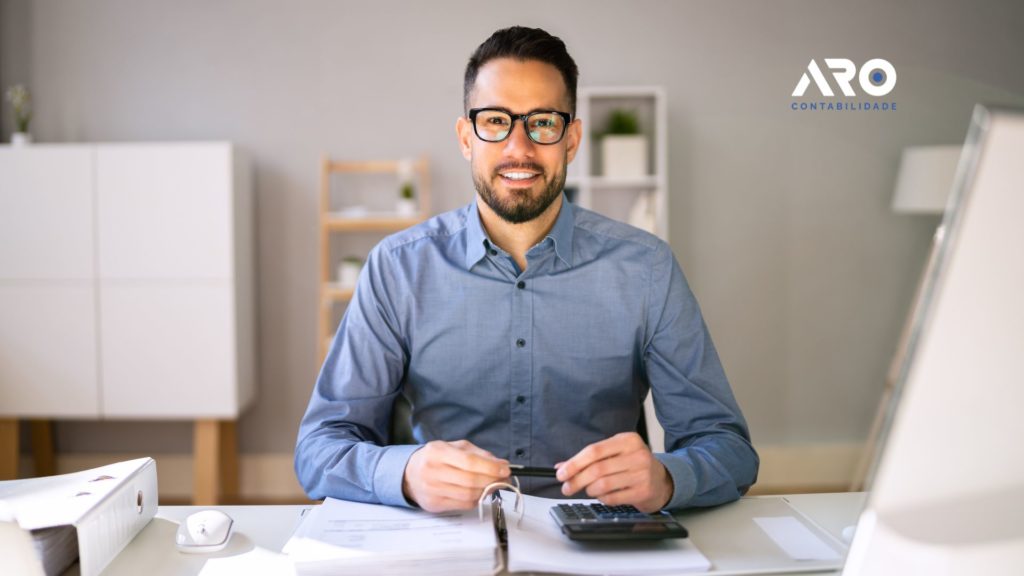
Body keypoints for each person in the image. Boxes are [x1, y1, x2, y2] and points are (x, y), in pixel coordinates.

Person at [295, 26, 758, 514]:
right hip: (446, 539)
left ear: (572, 139)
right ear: (466, 138)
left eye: (542, 122)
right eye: (495, 121)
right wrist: (405, 474)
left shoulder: (646, 268)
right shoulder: (397, 269)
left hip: (600, 542)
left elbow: (727, 447)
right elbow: (318, 451)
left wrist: (667, 478)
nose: (519, 147)